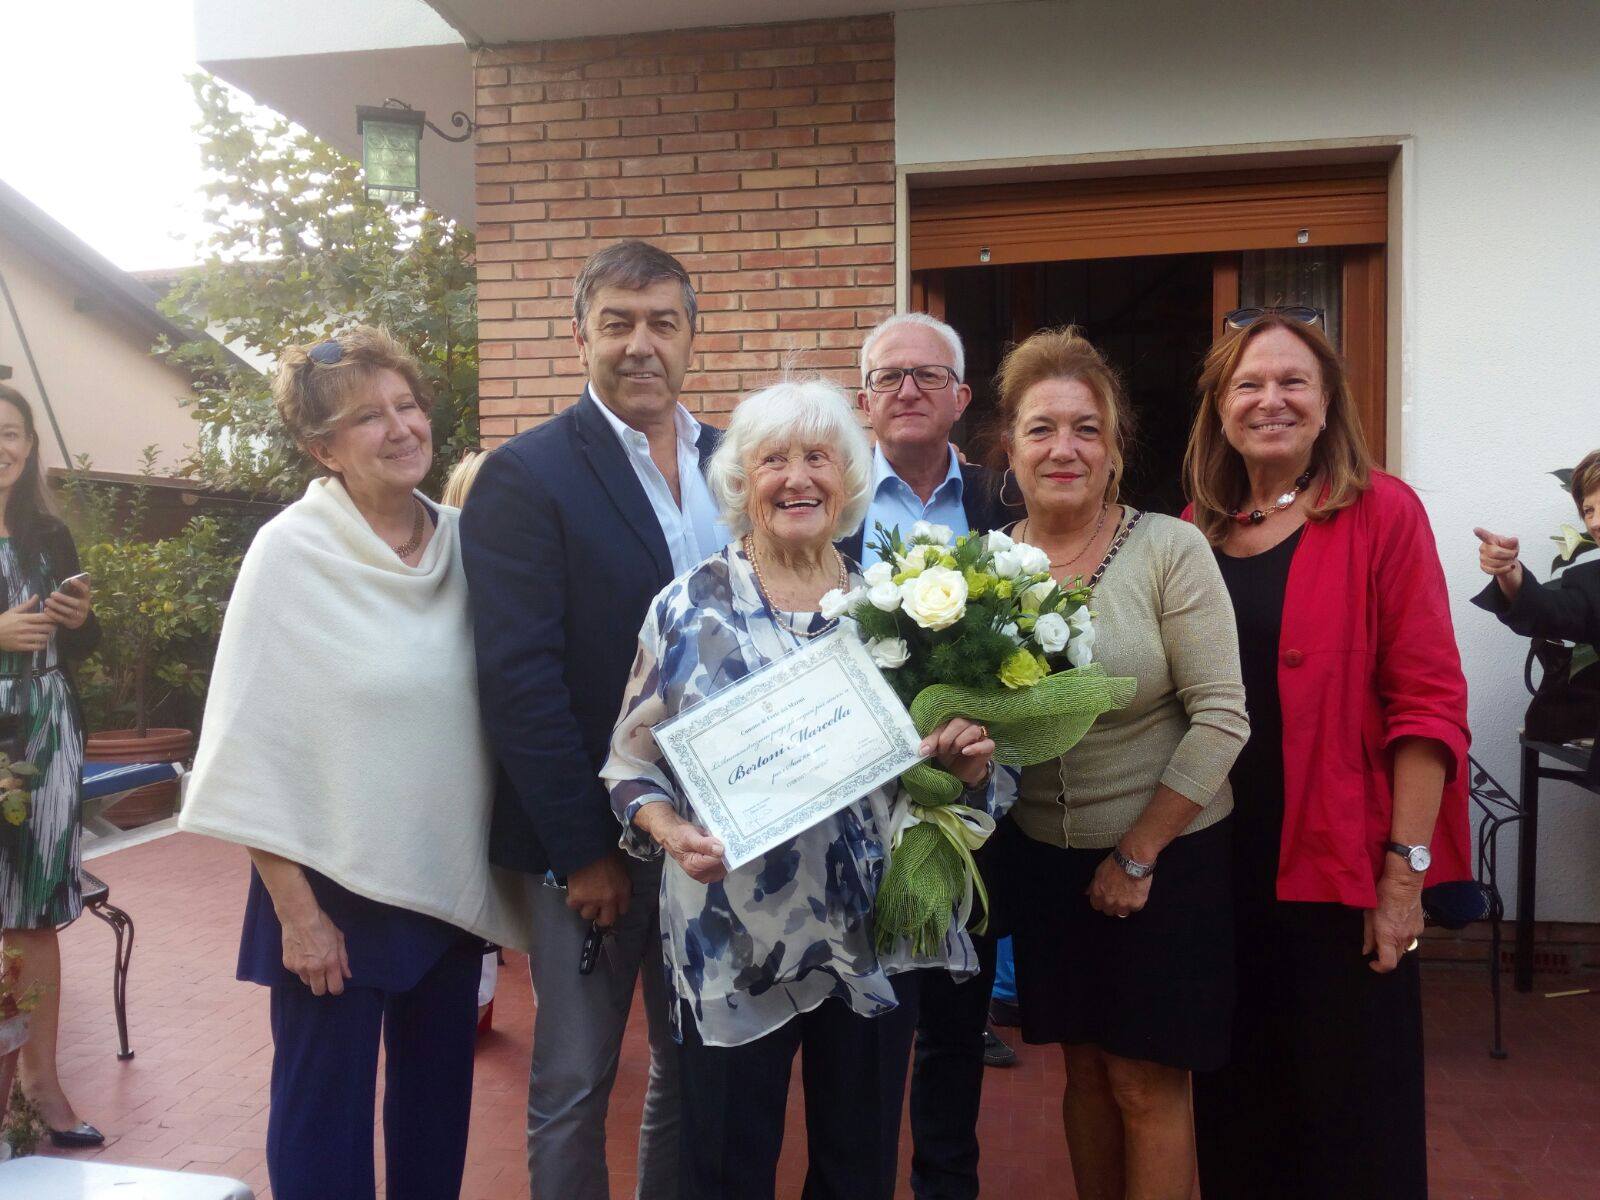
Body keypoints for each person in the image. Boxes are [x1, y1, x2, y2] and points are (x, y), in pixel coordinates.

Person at [602, 377, 1012, 1200]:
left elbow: (950, 785)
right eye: (773, 460)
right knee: (724, 1169)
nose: (798, 478)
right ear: (740, 483)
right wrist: (667, 830)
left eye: (819, 457)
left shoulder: (895, 607)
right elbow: (629, 764)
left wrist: (966, 767)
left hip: (870, 934)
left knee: (858, 1170)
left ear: (849, 479)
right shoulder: (687, 608)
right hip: (729, 936)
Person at [179, 327, 536, 1200]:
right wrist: (297, 915)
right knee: (321, 1125)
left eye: (407, 405)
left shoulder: (466, 546)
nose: (401, 428)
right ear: (321, 448)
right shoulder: (290, 553)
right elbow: (248, 742)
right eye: (367, 418)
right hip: (325, 895)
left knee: (435, 1116)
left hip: (443, 892)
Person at [1183, 309, 1471, 1200]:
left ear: (1327, 401)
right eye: (1249, 385)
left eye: (1293, 382)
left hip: (1341, 866)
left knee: (1353, 1117)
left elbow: (1427, 705)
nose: (1271, 400)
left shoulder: (1383, 511)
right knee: (1236, 1108)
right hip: (1221, 863)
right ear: (1221, 409)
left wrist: (1404, 874)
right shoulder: (1195, 527)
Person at [460, 240, 724, 1200]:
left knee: (692, 1072)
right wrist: (583, 850)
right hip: (594, 847)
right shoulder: (527, 476)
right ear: (580, 337)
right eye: (618, 322)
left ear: (693, 335)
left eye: (662, 321)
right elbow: (518, 677)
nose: (641, 344)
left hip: (718, 838)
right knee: (575, 1081)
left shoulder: (735, 465)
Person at [988, 326, 1248, 1200]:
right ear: (1009, 449)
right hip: (1045, 862)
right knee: (1086, 1073)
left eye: (1086, 428)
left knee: (1145, 1082)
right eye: (1041, 429)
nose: (1065, 448)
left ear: (1116, 448)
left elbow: (1223, 718)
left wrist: (1137, 854)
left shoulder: (1170, 550)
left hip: (1163, 860)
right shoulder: (985, 566)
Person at [846, 311, 1016, 1200]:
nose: (905, 391)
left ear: (961, 396)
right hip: (855, 811)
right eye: (886, 377)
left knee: (956, 1026)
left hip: (974, 805)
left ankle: (947, 1186)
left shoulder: (1007, 501)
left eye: (926, 375)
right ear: (864, 400)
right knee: (866, 1029)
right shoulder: (827, 501)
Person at [0, 382, 100, 1148]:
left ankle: (43, 1090)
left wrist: (79, 619)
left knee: (34, 911)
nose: (3, 446)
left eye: (12, 433)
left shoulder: (48, 535)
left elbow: (83, 650)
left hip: (47, 729)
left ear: (30, 446)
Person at [1473, 448, 1600, 781]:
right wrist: (1508, 571)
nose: (1595, 522)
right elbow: (1547, 610)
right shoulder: (1589, 582)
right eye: (1588, 510)